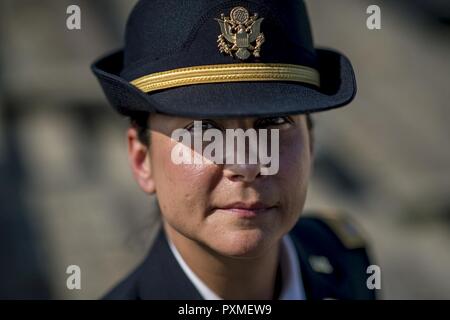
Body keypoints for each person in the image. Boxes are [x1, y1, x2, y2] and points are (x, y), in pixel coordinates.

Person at [91, 0, 376, 300]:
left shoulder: (343, 261)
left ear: (311, 143)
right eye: (204, 130)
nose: (248, 164)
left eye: (275, 122)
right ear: (142, 160)